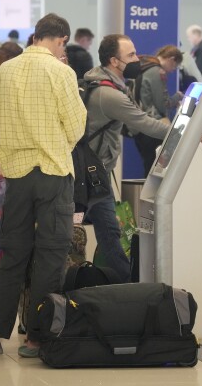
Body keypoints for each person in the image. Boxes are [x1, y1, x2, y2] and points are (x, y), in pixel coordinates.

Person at [0, 13, 85, 359]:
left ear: (35, 36)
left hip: (17, 175)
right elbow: (76, 126)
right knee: (50, 256)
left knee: (12, 256)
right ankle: (35, 339)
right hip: (53, 171)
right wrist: (54, 142)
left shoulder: (5, 70)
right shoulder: (61, 71)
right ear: (61, 39)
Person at [84, 34, 172, 281]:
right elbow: (143, 123)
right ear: (114, 61)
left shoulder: (103, 82)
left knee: (104, 229)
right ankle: (129, 286)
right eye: (131, 55)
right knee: (110, 232)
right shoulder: (109, 94)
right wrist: (185, 133)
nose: (137, 59)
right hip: (93, 175)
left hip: (91, 170)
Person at [134, 44, 184, 173]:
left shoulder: (144, 66)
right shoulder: (158, 71)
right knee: (154, 167)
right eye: (174, 66)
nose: (172, 70)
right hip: (152, 126)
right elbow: (163, 104)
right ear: (171, 59)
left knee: (148, 164)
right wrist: (178, 96)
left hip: (138, 124)